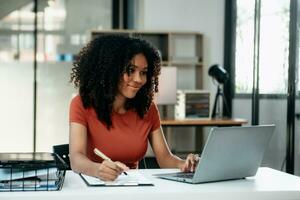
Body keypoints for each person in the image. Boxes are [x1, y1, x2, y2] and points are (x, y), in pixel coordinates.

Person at [69, 34, 199, 181]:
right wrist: (99, 170)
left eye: (143, 72)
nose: (138, 79)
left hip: (133, 187)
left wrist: (185, 164)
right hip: (93, 184)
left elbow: (165, 158)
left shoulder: (147, 108)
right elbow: (76, 158)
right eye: (131, 70)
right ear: (111, 70)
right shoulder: (81, 104)